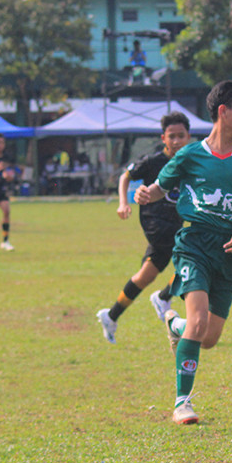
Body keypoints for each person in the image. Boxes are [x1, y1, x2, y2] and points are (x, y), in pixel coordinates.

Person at [134, 79, 232, 425]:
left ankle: (172, 324)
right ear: (224, 111)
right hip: (194, 244)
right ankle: (182, 403)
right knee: (199, 320)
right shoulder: (190, 155)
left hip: (231, 252)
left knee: (208, 339)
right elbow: (161, 188)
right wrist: (146, 194)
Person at [96, 111, 192, 344]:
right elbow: (125, 176)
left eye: (181, 136)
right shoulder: (153, 162)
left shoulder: (191, 163)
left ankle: (111, 315)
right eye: (172, 136)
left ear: (189, 137)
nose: (177, 141)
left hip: (174, 222)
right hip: (155, 222)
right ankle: (163, 297)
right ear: (163, 139)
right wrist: (123, 203)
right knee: (195, 255)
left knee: (145, 276)